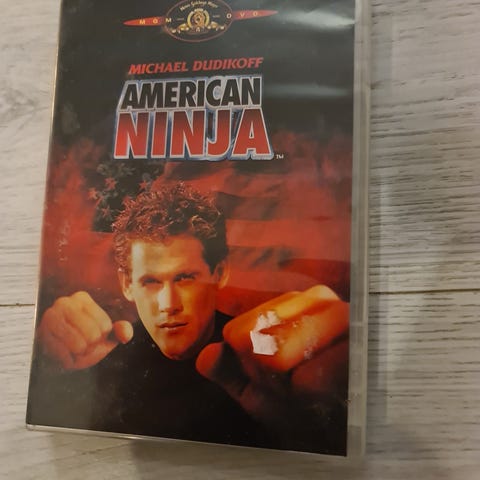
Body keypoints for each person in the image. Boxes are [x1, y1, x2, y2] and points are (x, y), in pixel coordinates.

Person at [28, 184, 349, 454]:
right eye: (150, 282)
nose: (168, 305)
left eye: (184, 278)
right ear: (127, 285)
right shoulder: (94, 362)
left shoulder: (264, 358)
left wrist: (326, 422)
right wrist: (50, 373)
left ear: (220, 272)